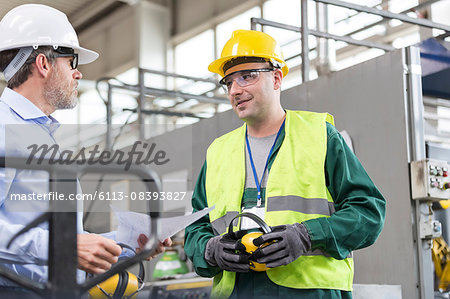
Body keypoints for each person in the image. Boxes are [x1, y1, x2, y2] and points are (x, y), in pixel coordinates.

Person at [184, 29, 386, 299]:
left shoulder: (319, 136)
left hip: (310, 293)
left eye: (247, 76)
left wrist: (306, 236)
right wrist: (210, 250)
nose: (235, 90)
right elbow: (196, 226)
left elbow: (368, 212)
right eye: (228, 82)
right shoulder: (218, 152)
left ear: (277, 78)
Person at [0, 3, 171, 293]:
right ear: (43, 64)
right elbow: (59, 244)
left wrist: (128, 243)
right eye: (72, 62)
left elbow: (64, 239)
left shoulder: (40, 135)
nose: (78, 74)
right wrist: (64, 246)